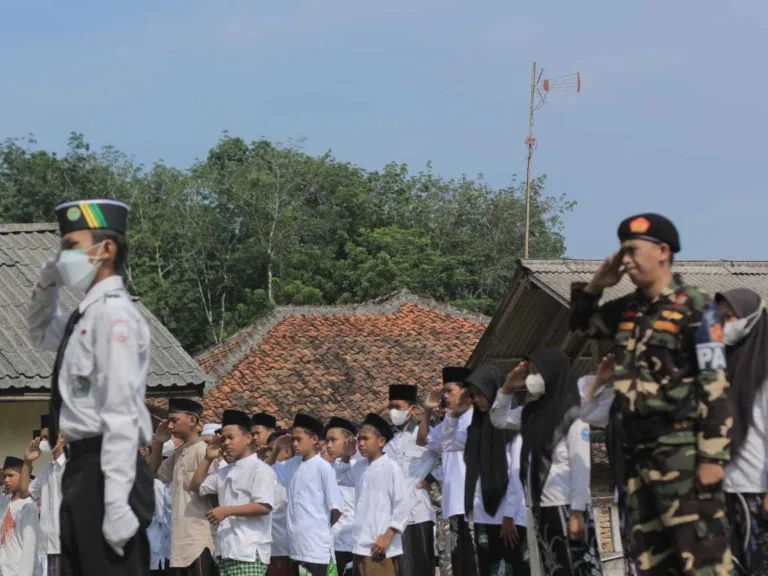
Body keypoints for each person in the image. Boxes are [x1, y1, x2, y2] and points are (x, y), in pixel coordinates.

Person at [570, 213, 733, 575]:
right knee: (649, 560)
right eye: (621, 252)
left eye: (631, 250)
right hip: (635, 454)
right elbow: (581, 324)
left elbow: (715, 385)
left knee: (701, 559)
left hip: (682, 454)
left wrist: (711, 458)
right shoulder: (627, 309)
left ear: (662, 251)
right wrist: (596, 285)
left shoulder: (698, 308)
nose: (624, 260)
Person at [27, 199, 154, 576]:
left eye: (72, 246)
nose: (64, 255)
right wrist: (48, 280)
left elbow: (120, 410)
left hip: (109, 471)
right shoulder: (84, 316)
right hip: (82, 470)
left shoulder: (114, 314)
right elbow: (37, 330)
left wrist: (116, 502)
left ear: (107, 250)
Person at [490, 350, 602, 576]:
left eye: (536, 372)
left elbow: (581, 467)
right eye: (529, 372)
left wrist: (578, 512)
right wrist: (507, 387)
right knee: (552, 569)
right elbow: (498, 419)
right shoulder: (532, 414)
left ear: (553, 374)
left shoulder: (574, 415)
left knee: (577, 569)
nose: (531, 377)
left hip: (567, 506)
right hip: (540, 507)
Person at [715, 288, 768, 574]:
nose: (726, 324)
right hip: (725, 488)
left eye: (730, 316)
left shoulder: (764, 370)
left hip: (757, 490)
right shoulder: (723, 369)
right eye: (721, 318)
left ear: (751, 319)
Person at [190, 409, 276, 576]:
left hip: (249, 551)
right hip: (226, 550)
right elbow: (196, 486)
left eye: (231, 438)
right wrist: (208, 459)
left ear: (248, 438)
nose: (226, 443)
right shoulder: (224, 471)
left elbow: (264, 506)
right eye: (223, 439)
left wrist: (227, 511)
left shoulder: (261, 469)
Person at [463, 366, 529, 576]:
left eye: (479, 394)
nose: (475, 400)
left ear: (493, 391)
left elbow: (516, 474)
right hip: (483, 514)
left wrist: (509, 516)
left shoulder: (512, 426)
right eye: (472, 396)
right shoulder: (476, 427)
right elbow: (448, 444)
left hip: (509, 516)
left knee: (513, 569)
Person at [416, 366, 477, 576]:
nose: (445, 396)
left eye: (450, 390)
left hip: (473, 502)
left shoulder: (475, 419)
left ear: (466, 391)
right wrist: (427, 411)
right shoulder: (450, 422)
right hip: (453, 502)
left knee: (476, 562)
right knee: (461, 563)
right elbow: (423, 439)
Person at [269, 413, 344, 576]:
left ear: (315, 439)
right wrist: (276, 449)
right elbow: (267, 471)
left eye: (299, 439)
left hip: (317, 550)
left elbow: (336, 509)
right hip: (296, 549)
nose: (295, 444)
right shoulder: (292, 465)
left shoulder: (323, 468)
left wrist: (319, 526)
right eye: (293, 440)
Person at [336, 413, 410, 576]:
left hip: (380, 545)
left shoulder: (391, 468)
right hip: (360, 544)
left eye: (365, 439)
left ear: (381, 441)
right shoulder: (359, 467)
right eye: (359, 439)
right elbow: (340, 478)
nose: (361, 443)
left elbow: (403, 506)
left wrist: (388, 536)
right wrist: (346, 456)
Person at [151, 399, 217, 576]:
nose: (170, 426)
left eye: (175, 420)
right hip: (180, 537)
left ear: (192, 421)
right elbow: (154, 474)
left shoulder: (203, 451)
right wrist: (158, 443)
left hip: (199, 537)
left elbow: (213, 494)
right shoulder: (178, 452)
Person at [384, 385, 437, 576]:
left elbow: (448, 457)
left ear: (412, 410)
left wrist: (430, 479)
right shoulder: (386, 438)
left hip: (418, 512)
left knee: (420, 566)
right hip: (391, 515)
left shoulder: (423, 434)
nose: (392, 411)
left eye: (397, 406)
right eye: (390, 406)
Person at [20, 415, 66, 576]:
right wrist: (27, 462)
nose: (42, 442)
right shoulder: (47, 470)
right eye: (42, 438)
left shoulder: (74, 466)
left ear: (61, 437)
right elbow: (25, 491)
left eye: (47, 437)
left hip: (69, 547)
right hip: (49, 547)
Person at [325, 416, 361, 576]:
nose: (328, 445)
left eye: (333, 440)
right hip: (331, 542)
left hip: (354, 541)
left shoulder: (360, 466)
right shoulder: (324, 467)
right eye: (327, 440)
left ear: (348, 441)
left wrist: (346, 457)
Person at [0, 456, 41, 576]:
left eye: (11, 476)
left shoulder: (27, 506)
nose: (6, 480)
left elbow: (29, 547)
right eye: (5, 476)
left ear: (23, 475)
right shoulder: (5, 502)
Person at [265, 431, 293, 576]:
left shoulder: (290, 474)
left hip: (282, 548)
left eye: (272, 449)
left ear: (287, 452)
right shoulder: (268, 472)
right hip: (267, 547)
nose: (268, 453)